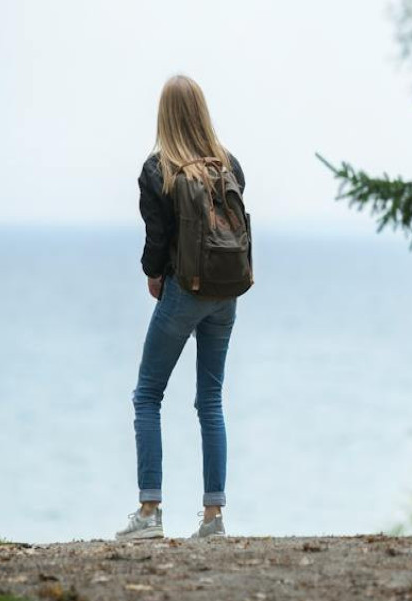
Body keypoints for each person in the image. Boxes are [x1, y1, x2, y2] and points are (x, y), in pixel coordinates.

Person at [116, 75, 246, 541]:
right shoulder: (229, 164)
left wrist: (154, 275)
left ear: (164, 115)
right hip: (226, 295)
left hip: (183, 293)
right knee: (210, 401)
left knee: (147, 396)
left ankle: (149, 512)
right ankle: (214, 519)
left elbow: (157, 240)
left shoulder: (158, 170)